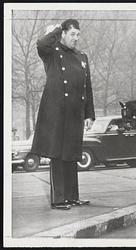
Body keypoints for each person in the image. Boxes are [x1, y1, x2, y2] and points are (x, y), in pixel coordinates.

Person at [31, 19, 95, 210]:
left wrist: (89, 114)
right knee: (58, 155)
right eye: (72, 34)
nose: (76, 38)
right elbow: (41, 43)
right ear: (63, 34)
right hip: (57, 112)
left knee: (72, 154)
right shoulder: (52, 52)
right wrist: (57, 28)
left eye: (78, 34)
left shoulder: (82, 56)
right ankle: (59, 199)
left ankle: (72, 197)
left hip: (75, 112)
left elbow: (88, 87)